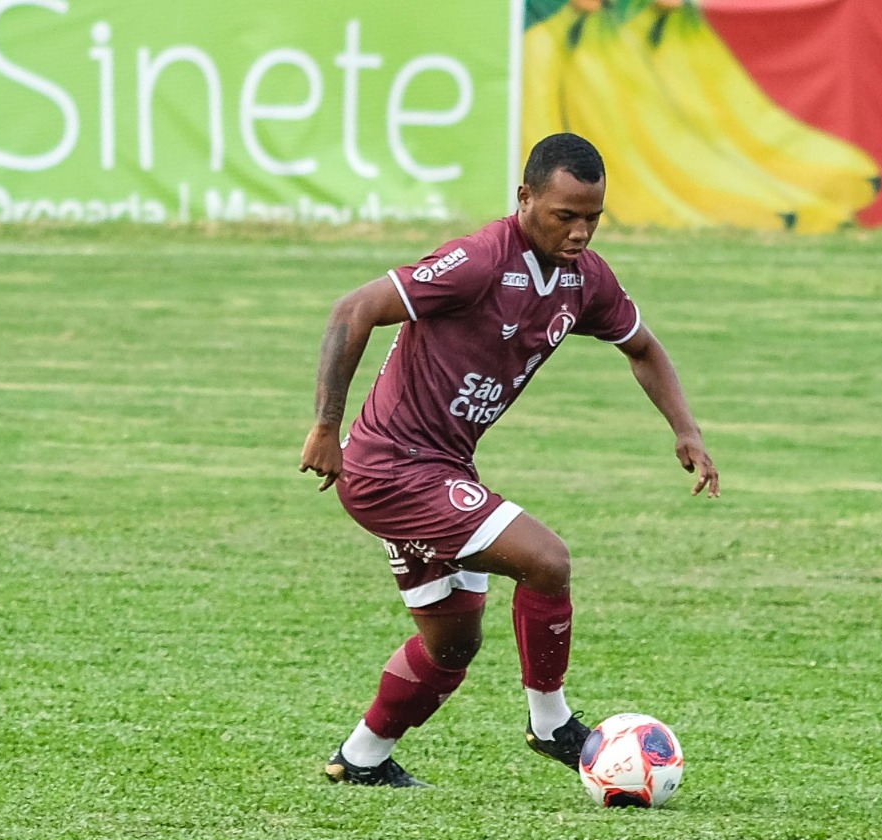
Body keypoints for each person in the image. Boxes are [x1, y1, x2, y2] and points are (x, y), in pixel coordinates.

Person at [299, 132, 719, 788]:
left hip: (440, 469)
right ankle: (551, 723)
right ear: (525, 198)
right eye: (565, 216)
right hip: (389, 469)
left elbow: (644, 348)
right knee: (546, 560)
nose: (580, 232)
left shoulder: (585, 280)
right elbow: (352, 310)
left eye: (593, 218)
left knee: (453, 645)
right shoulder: (479, 261)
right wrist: (327, 427)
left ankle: (360, 758)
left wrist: (686, 430)